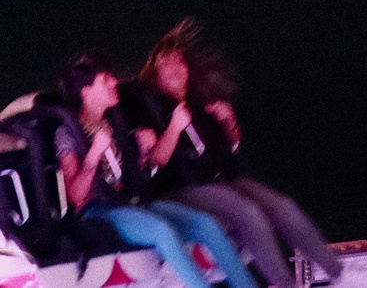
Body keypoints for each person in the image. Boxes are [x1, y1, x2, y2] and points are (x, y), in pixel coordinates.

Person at [129, 19, 343, 288]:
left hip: (221, 179)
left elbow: (230, 151)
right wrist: (174, 127)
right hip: (180, 188)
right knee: (247, 212)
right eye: (166, 63)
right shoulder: (147, 107)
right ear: (154, 73)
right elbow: (155, 161)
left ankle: (338, 273)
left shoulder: (198, 105)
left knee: (283, 206)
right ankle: (284, 284)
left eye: (179, 61)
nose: (175, 67)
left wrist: (229, 126)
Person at [51, 52, 262, 288]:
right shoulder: (67, 134)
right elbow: (76, 197)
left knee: (206, 225)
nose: (114, 82)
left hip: (133, 200)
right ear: (86, 90)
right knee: (162, 231)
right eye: (106, 79)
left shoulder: (115, 121)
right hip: (102, 210)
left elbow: (137, 172)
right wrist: (94, 153)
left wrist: (144, 154)